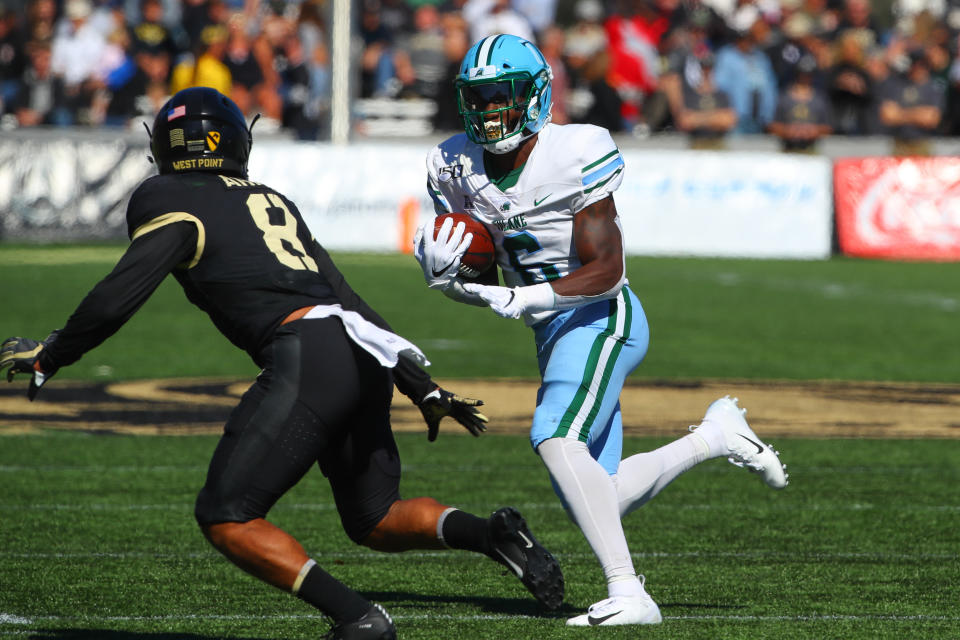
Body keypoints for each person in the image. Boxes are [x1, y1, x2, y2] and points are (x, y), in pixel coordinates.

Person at [0, 87, 563, 640]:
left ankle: (357, 618)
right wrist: (420, 384)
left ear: (166, 147)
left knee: (226, 514)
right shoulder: (270, 199)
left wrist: (55, 351)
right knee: (375, 518)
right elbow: (347, 298)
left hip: (307, 355)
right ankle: (492, 535)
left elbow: (123, 289)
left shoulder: (165, 195)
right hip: (362, 351)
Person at [413, 33, 789, 627]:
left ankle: (629, 592)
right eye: (479, 98)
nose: (490, 111)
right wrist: (451, 268)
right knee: (601, 494)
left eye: (502, 97)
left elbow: (609, 272)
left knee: (555, 437)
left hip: (601, 317)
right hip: (552, 330)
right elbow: (486, 265)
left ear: (535, 94)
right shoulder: (451, 163)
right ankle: (716, 435)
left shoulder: (576, 150)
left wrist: (524, 296)